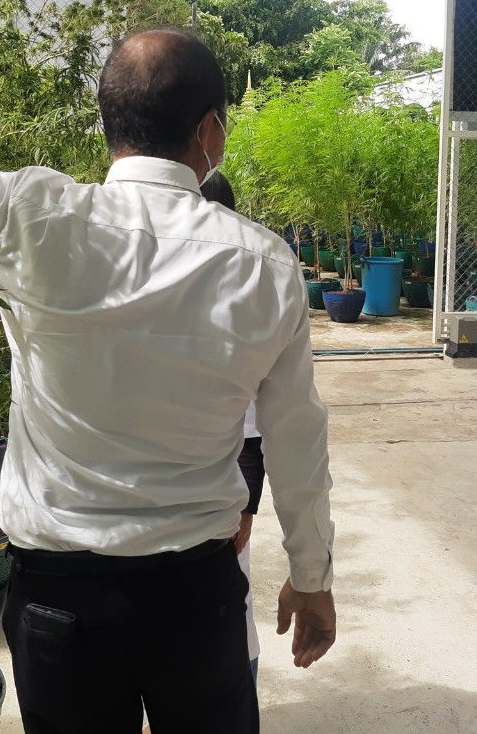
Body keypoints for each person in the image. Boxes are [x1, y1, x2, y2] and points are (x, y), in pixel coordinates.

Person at [0, 29, 336, 733]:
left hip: (60, 599)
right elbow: (297, 438)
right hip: (197, 597)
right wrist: (312, 578)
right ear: (210, 131)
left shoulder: (28, 217)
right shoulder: (265, 263)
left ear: (108, 122)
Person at [199, 171, 266, 683]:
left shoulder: (243, 294)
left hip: (220, 490)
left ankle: (239, 690)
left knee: (227, 607)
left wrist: (246, 509)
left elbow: (254, 428)